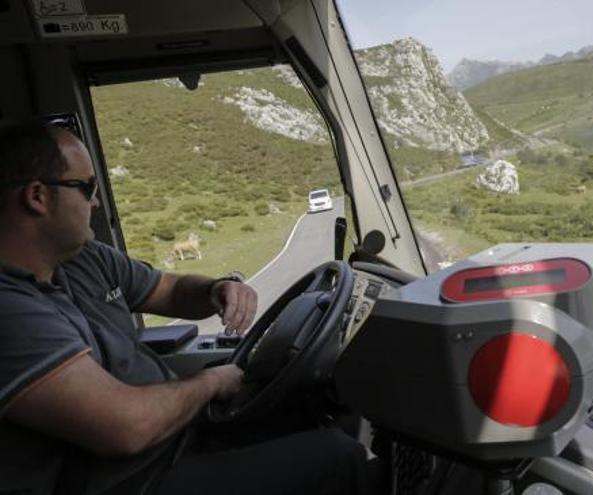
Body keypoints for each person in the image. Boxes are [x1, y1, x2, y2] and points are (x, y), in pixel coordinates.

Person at [0, 121, 374, 494]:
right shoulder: (11, 311)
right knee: (338, 457)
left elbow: (168, 287)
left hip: (173, 440)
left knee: (312, 412)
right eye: (87, 188)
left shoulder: (84, 259)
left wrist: (216, 288)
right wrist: (210, 382)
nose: (96, 202)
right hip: (132, 479)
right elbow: (127, 428)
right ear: (38, 196)